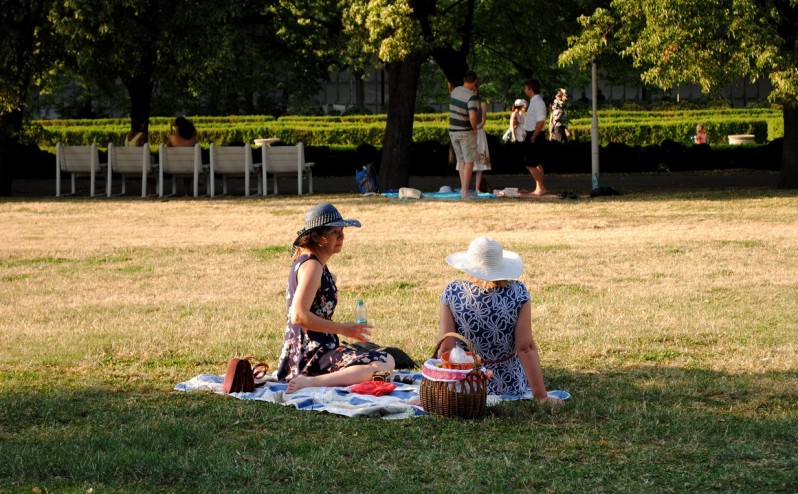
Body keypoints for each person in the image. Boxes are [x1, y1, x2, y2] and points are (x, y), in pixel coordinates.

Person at [276, 203, 395, 393]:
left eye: (342, 231)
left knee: (385, 361)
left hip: (310, 350)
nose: (342, 237)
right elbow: (298, 315)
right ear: (315, 236)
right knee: (385, 361)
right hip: (311, 354)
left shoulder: (313, 264)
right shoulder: (312, 266)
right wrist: (343, 328)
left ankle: (320, 379)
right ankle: (312, 382)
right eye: (334, 232)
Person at [437, 237, 560, 403]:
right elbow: (525, 348)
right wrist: (542, 396)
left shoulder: (452, 292)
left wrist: (440, 389)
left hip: (466, 383)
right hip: (510, 384)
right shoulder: (518, 292)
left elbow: (446, 347)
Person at [448, 70, 480, 198]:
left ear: (464, 80)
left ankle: (463, 189)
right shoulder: (471, 97)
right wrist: (474, 128)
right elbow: (472, 117)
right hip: (465, 132)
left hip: (453, 131)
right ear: (475, 82)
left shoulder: (455, 91)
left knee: (460, 160)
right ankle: (465, 192)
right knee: (469, 161)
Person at [522, 79, 549, 196]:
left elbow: (540, 121)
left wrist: (533, 136)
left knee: (529, 163)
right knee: (538, 162)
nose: (524, 90)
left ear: (531, 89)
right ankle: (539, 187)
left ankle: (541, 187)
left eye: (526, 88)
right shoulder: (534, 101)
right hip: (534, 133)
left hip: (535, 134)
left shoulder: (537, 102)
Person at [167, 116, 199, 194]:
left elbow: (167, 148)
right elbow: (195, 135)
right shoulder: (194, 140)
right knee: (187, 164)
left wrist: (171, 131)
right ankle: (186, 192)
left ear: (177, 127)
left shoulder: (171, 138)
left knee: (183, 164)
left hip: (174, 166)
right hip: (190, 167)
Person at [472, 84, 491, 192]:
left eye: (475, 90)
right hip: (469, 133)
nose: (473, 92)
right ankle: (464, 186)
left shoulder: (482, 104)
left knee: (480, 163)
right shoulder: (466, 104)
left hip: (478, 133)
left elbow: (483, 121)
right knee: (468, 161)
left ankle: (478, 188)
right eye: (471, 90)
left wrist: (475, 128)